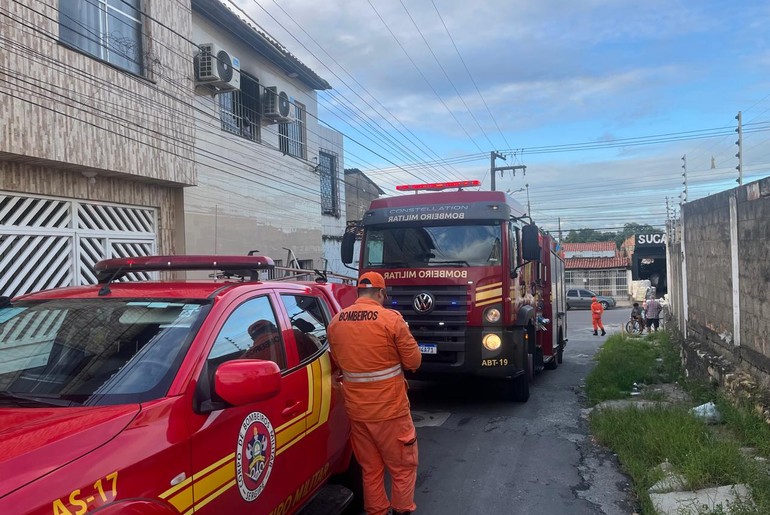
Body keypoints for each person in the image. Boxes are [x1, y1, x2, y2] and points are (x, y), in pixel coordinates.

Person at [327, 272, 422, 515]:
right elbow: (413, 361)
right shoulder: (391, 320)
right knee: (402, 468)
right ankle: (402, 510)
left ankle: (376, 512)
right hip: (391, 410)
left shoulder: (336, 323)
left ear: (359, 293)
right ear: (380, 293)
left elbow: (337, 362)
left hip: (358, 412)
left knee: (370, 469)